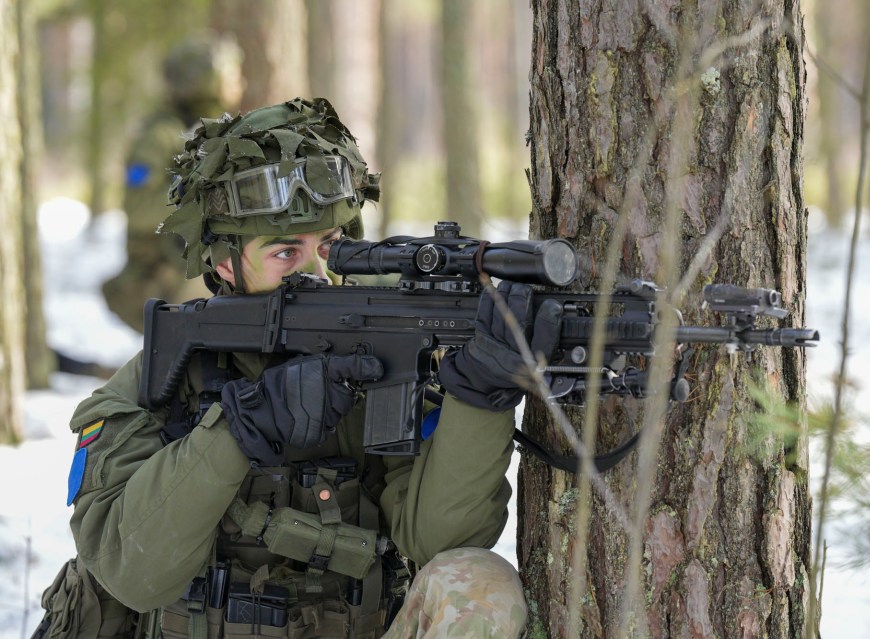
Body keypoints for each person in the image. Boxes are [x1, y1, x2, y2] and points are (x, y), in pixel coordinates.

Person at [55, 97, 560, 638]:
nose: (317, 273)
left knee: (477, 582)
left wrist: (478, 397)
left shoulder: (385, 365)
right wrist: (241, 428)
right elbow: (133, 575)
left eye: (332, 246)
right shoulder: (153, 385)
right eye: (284, 253)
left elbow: (440, 541)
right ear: (225, 262)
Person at [101, 33, 243, 332]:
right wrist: (203, 200)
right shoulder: (161, 136)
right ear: (205, 79)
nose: (240, 82)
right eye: (232, 74)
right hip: (162, 280)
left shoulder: (217, 129)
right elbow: (138, 207)